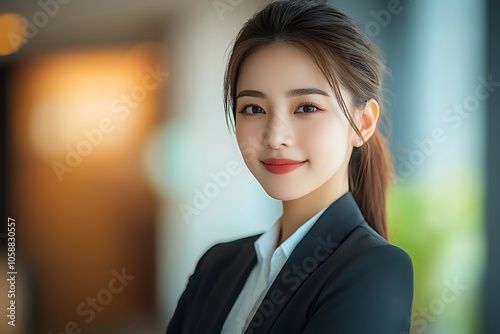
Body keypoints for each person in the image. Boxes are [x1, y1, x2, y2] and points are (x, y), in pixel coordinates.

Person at [167, 1, 414, 333]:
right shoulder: (217, 265)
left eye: (307, 107)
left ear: (362, 123)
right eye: (253, 108)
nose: (275, 137)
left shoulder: (374, 269)